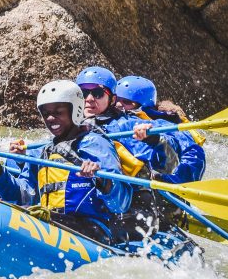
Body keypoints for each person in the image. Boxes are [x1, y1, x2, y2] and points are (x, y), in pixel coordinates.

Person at [0, 80, 132, 244]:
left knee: (28, 218)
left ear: (75, 110)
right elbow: (21, 197)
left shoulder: (95, 144)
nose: (50, 118)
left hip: (93, 231)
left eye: (58, 112)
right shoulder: (44, 152)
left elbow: (121, 204)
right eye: (46, 113)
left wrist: (102, 180)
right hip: (53, 224)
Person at [76, 67, 204, 234]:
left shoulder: (130, 125)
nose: (89, 99)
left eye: (98, 93)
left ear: (110, 99)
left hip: (136, 208)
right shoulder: (69, 126)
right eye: (83, 92)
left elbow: (170, 165)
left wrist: (154, 140)